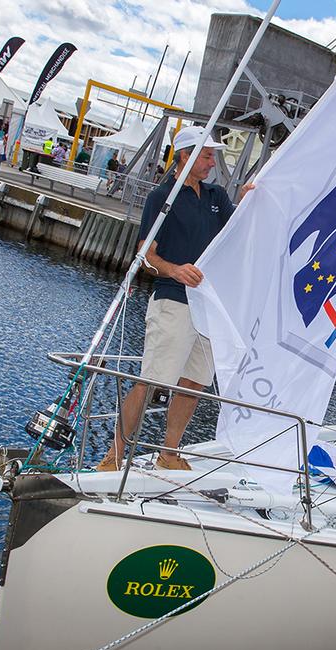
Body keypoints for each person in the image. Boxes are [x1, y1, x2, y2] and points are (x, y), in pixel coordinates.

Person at [96, 127, 250, 472]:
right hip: (174, 300)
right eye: (208, 155)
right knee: (153, 381)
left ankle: (169, 453)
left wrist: (251, 201)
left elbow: (238, 230)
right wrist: (174, 270)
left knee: (195, 381)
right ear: (185, 156)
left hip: (210, 306)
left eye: (213, 155)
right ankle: (113, 456)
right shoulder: (162, 198)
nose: (213, 161)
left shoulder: (216, 196)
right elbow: (146, 253)